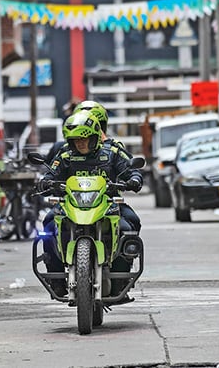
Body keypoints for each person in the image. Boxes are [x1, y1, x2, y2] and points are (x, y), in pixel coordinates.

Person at [40, 110, 143, 300]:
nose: (80, 143)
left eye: (84, 139)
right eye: (76, 140)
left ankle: (121, 279)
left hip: (108, 205)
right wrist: (45, 182)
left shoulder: (111, 153)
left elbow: (131, 169)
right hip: (70, 205)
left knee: (130, 224)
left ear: (95, 137)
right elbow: (50, 174)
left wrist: (134, 179)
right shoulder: (64, 155)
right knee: (47, 226)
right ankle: (55, 279)